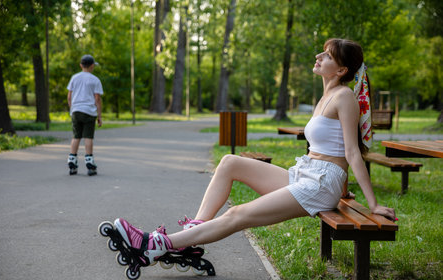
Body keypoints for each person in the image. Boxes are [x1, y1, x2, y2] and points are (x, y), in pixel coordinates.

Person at [111, 38, 396, 265]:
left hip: (321, 183)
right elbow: (330, 146)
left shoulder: (344, 96)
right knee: (230, 162)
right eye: (321, 53)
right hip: (308, 173)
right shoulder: (326, 96)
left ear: (342, 70)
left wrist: (372, 204)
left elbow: (352, 152)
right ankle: (192, 233)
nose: (318, 58)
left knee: (238, 214)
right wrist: (344, 190)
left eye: (327, 56)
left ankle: (154, 245)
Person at [66, 55, 103, 176]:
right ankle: (89, 162)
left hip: (76, 111)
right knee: (88, 137)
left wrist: (72, 109)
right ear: (92, 66)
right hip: (89, 112)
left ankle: (72, 160)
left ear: (81, 65)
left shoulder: (74, 78)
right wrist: (99, 116)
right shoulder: (95, 80)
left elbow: (69, 96)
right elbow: (97, 99)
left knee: (76, 136)